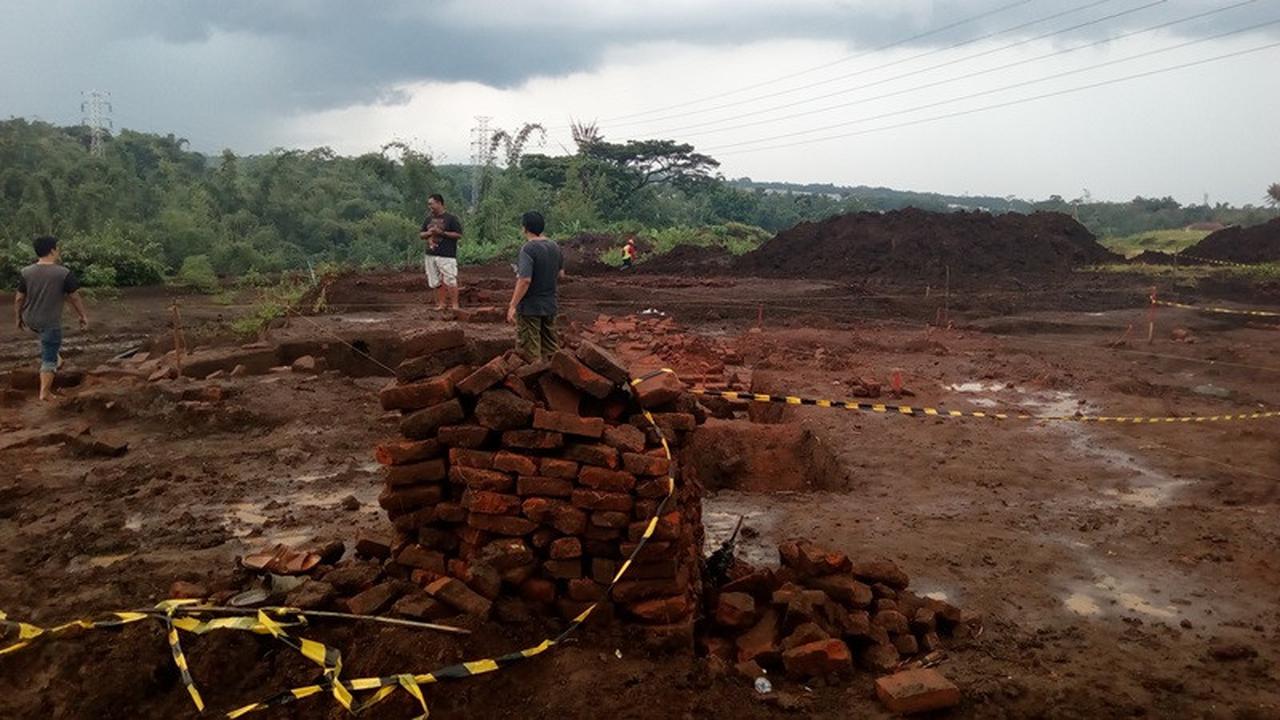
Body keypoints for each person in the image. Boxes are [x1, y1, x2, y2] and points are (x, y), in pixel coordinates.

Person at [13, 235, 89, 401]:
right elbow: (75, 297)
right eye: (57, 248)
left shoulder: (26, 272)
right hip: (49, 323)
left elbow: (19, 297)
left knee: (48, 343)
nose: (58, 250)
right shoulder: (63, 273)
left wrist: (18, 317)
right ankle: (45, 393)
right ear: (52, 250)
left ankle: (56, 357)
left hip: (30, 319)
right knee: (48, 358)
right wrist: (82, 316)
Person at [507, 211, 564, 360]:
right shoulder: (555, 247)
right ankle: (554, 378)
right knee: (551, 348)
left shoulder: (528, 249)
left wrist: (513, 305)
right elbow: (561, 274)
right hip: (550, 305)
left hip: (530, 308)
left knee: (530, 351)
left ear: (525, 228)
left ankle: (534, 380)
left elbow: (525, 280)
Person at [420, 193, 463, 310]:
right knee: (435, 281)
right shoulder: (428, 219)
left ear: (439, 203)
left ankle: (455, 305)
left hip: (446, 254)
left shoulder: (451, 219)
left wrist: (441, 233)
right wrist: (429, 233)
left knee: (450, 279)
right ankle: (442, 304)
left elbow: (458, 234)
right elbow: (421, 234)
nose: (429, 207)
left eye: (431, 204)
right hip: (431, 254)